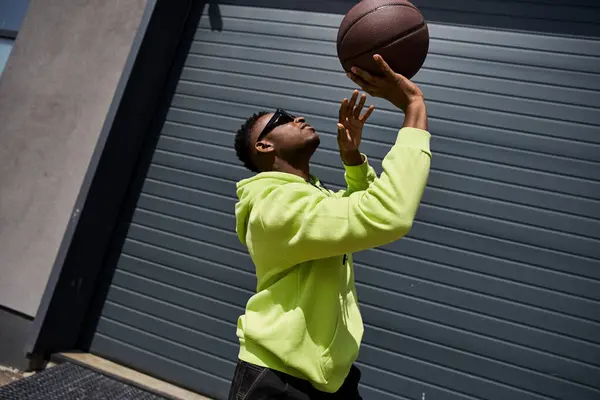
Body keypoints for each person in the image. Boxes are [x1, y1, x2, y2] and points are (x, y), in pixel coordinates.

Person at [229, 54, 431, 399]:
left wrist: (353, 160)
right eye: (283, 118)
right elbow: (387, 214)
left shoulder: (308, 197)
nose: (299, 117)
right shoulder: (272, 208)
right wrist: (413, 108)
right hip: (278, 380)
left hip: (329, 378)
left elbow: (357, 211)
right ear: (263, 146)